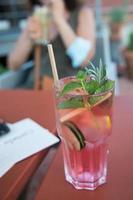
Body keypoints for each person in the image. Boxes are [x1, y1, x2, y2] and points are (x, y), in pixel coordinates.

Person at [8, 0, 96, 88]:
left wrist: (59, 18)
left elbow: (84, 59)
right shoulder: (37, 15)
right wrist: (29, 36)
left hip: (71, 88)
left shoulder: (82, 12)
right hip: (38, 86)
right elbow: (13, 64)